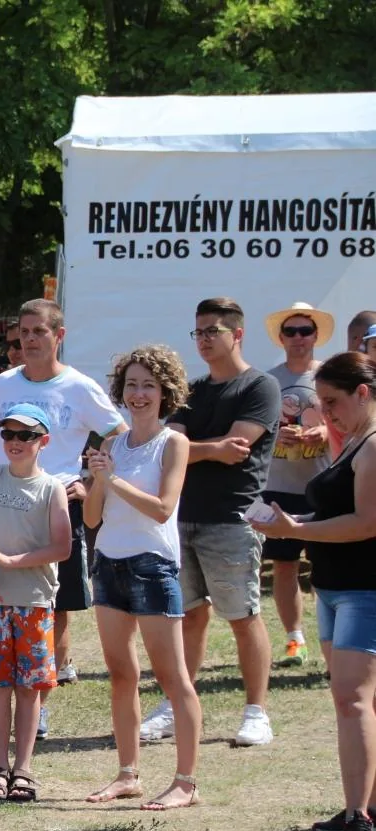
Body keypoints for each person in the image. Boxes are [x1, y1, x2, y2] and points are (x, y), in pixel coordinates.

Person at [0, 299, 126, 740]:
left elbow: (118, 436)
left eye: (39, 331)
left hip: (56, 504)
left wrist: (91, 483)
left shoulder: (78, 387)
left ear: (59, 335)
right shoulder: (0, 386)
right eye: (24, 332)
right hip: (0, 504)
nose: (30, 340)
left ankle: (37, 708)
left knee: (52, 610)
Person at [140, 298, 281, 748]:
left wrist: (196, 448)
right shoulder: (194, 391)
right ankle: (173, 705)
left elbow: (237, 445)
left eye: (211, 332)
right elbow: (167, 445)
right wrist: (209, 449)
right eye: (197, 333)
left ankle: (256, 712)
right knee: (186, 616)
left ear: (236, 335)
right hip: (181, 517)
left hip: (231, 519)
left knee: (243, 616)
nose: (202, 340)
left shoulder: (261, 386)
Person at [253, 352, 376, 831]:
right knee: (353, 704)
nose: (325, 413)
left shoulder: (371, 448)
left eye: (332, 402)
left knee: (354, 702)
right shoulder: (353, 445)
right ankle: (362, 807)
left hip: (363, 592)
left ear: (362, 393)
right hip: (333, 589)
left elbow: (367, 523)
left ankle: (359, 818)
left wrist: (296, 531)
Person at [82, 347, 203, 810]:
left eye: (148, 385)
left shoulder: (174, 442)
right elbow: (92, 519)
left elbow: (163, 508)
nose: (138, 394)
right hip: (109, 562)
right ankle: (127, 773)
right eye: (131, 385)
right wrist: (96, 481)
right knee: (120, 674)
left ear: (165, 391)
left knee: (173, 678)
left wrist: (113, 481)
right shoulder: (112, 445)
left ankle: (186, 782)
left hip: (153, 566)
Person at [0, 404, 71, 802]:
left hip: (35, 601)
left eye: (25, 435)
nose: (15, 442)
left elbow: (62, 546)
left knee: (29, 689)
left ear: (43, 442)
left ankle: (23, 770)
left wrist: (14, 562)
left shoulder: (52, 487)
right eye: (8, 434)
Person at [260, 303, 335, 669]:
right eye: (291, 331)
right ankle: (294, 639)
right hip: (279, 484)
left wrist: (327, 431)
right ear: (281, 337)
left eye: (306, 331)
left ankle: (333, 638)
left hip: (325, 483)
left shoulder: (332, 375)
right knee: (285, 564)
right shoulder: (267, 381)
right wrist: (277, 437)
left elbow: (356, 423)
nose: (299, 338)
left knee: (329, 564)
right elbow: (255, 434)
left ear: (316, 336)